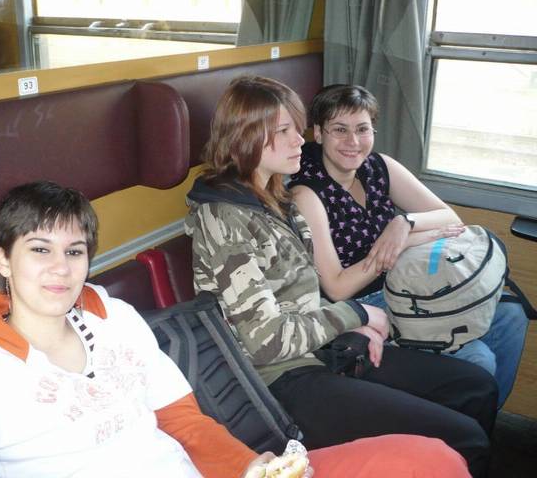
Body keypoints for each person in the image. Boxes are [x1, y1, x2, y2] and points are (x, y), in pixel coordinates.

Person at [0, 181, 470, 478]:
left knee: (431, 460)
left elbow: (181, 419)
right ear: (3, 261)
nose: (60, 268)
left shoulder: (115, 318)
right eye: (39, 249)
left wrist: (245, 465)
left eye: (74, 251)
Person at [185, 75, 499, 478]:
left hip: (322, 349)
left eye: (298, 129)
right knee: (465, 438)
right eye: (284, 131)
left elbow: (302, 294)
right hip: (279, 378)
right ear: (246, 137)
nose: (300, 141)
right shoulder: (226, 218)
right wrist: (357, 314)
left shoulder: (275, 199)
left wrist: (351, 327)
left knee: (475, 387)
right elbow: (265, 342)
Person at [288, 84, 529, 407]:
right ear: (318, 133)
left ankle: (479, 421)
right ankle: (459, 428)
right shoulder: (307, 194)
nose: (353, 141)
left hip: (408, 285)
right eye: (340, 130)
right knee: (479, 360)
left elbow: (449, 217)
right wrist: (398, 245)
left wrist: (403, 224)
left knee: (511, 315)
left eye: (362, 129)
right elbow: (336, 287)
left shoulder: (379, 167)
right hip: (364, 303)